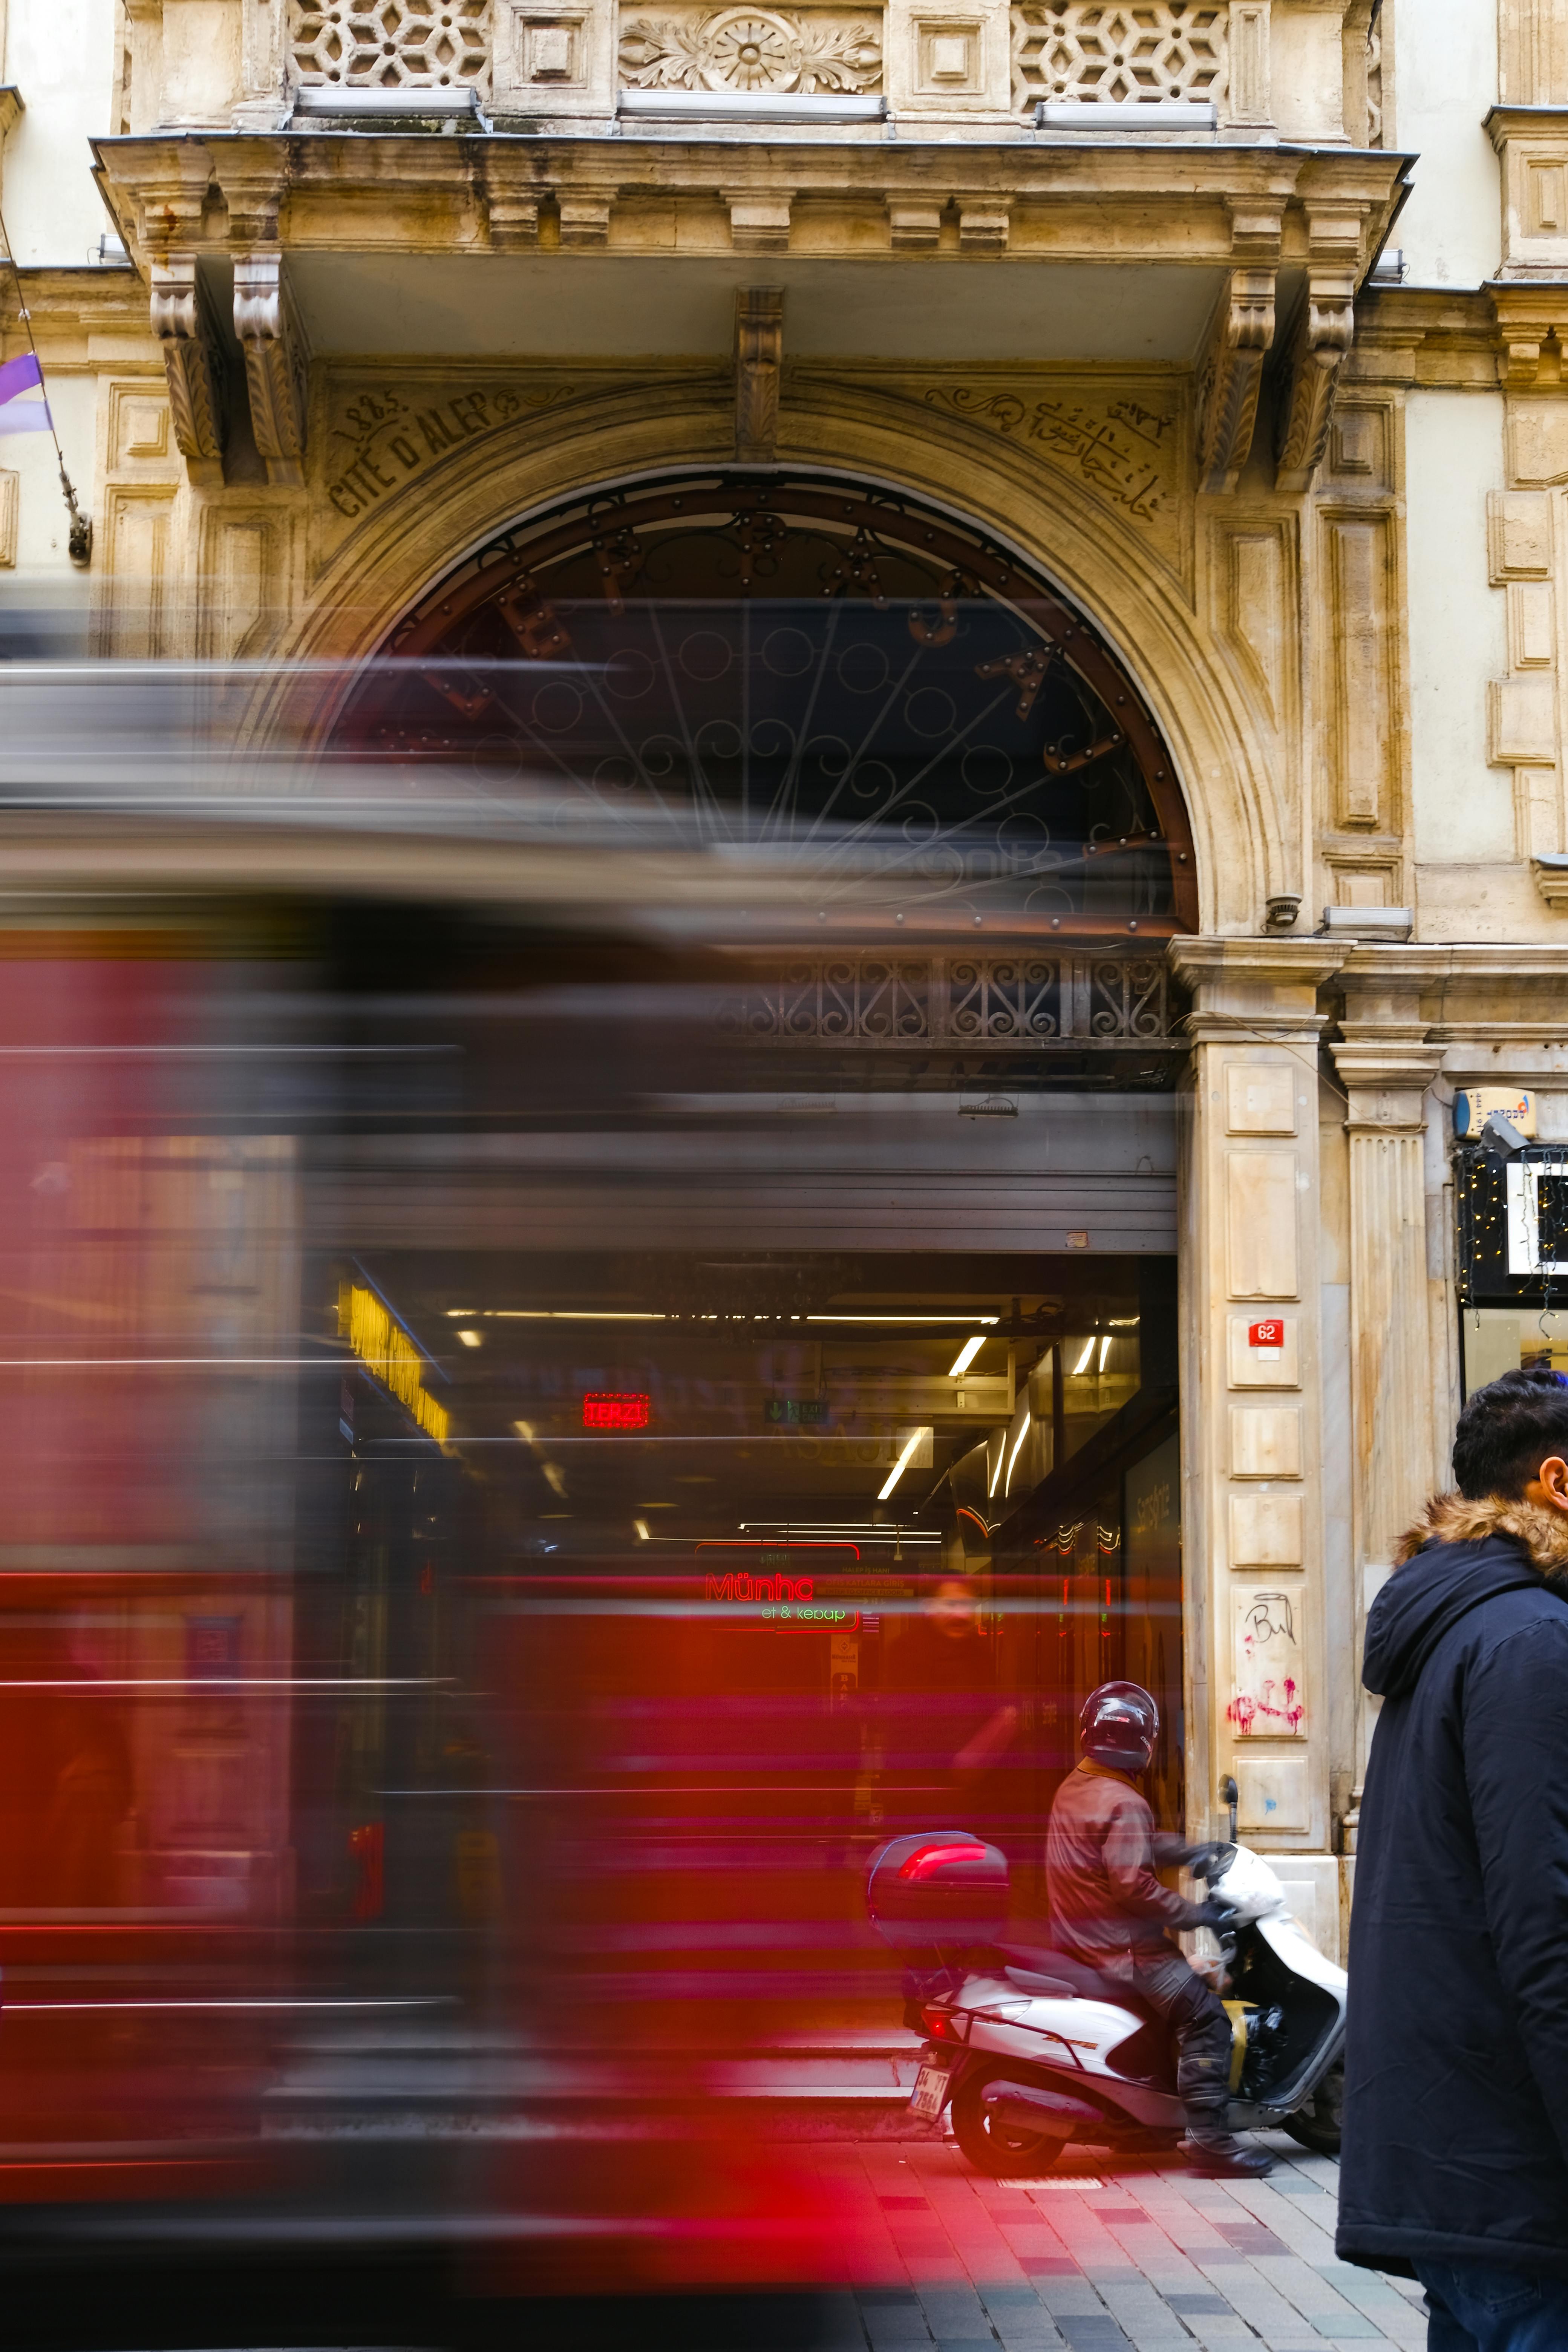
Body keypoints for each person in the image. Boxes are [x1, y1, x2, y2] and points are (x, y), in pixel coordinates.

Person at [1337, 1366, 1568, 2346]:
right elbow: (1547, 1924)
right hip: (1519, 2182)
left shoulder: (1458, 1631)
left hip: (1462, 2166)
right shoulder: (1530, 1642)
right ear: (1557, 1481)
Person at [1046, 1679, 1267, 2178]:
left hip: (1080, 1941)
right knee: (1206, 2016)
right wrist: (1200, 1915)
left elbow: (1130, 1844)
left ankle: (1141, 2125)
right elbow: (1133, 1887)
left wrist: (1193, 1852)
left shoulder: (1079, 1784)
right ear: (1145, 1741)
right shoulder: (1125, 1802)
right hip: (1123, 1950)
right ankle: (1213, 2144)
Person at [883, 1576, 1018, 1837]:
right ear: (929, 1607)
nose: (962, 1614)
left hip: (968, 1801)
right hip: (919, 1800)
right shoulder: (907, 1651)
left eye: (968, 1605)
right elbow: (908, 1727)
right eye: (952, 1605)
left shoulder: (980, 1651)